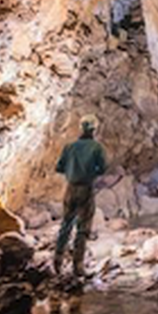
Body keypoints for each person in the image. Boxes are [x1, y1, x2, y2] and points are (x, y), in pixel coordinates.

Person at [54, 114, 107, 276]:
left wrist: (72, 170)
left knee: (66, 224)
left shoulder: (69, 147)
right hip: (86, 189)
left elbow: (59, 168)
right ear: (94, 129)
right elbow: (103, 168)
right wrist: (91, 171)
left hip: (70, 189)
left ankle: (57, 261)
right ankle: (78, 266)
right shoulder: (96, 147)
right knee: (83, 228)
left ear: (81, 128)